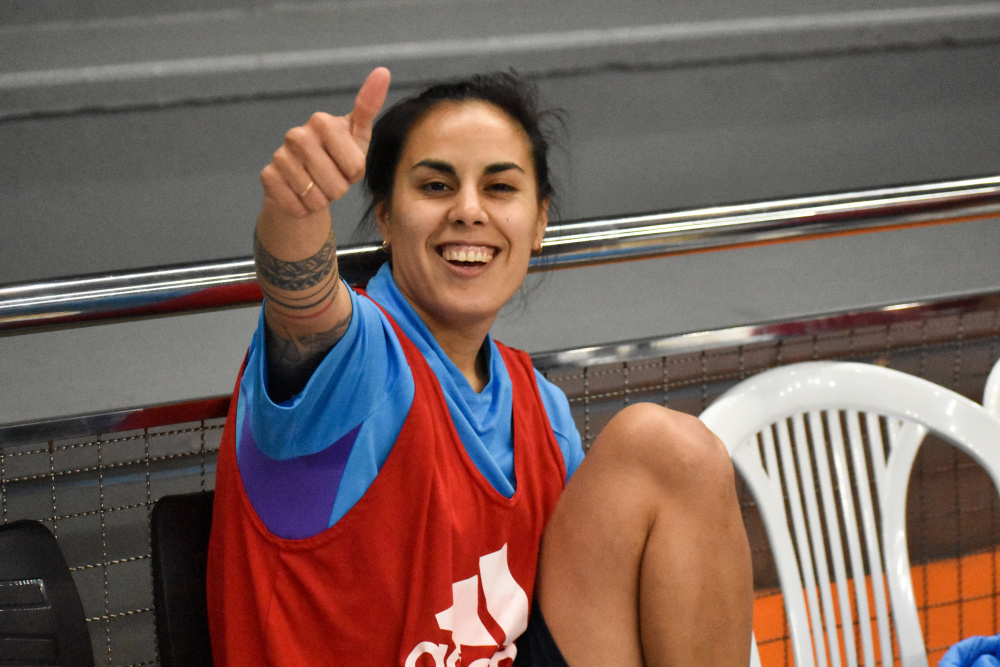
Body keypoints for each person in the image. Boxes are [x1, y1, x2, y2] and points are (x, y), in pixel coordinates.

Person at [206, 66, 753, 666]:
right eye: (436, 186)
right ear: (385, 216)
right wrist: (296, 209)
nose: (468, 210)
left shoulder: (542, 411)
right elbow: (302, 301)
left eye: (500, 188)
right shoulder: (355, 363)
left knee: (670, 453)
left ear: (539, 222)